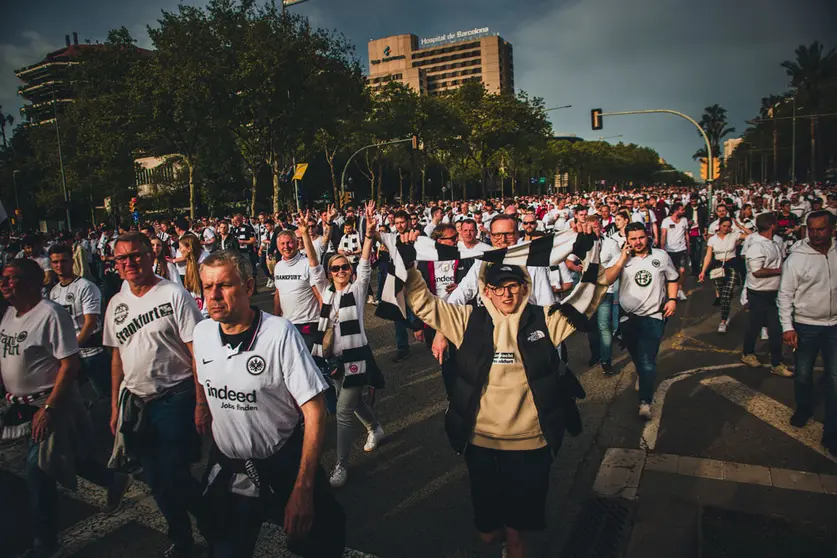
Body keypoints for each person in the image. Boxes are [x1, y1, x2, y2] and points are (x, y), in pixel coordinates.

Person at [401, 225, 609, 558]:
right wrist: (408, 263)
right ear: (487, 291)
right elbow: (425, 305)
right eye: (499, 288)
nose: (506, 295)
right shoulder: (468, 320)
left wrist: (595, 249)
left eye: (513, 286)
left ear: (524, 288)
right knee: (488, 534)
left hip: (531, 447)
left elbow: (586, 300)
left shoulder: (543, 321)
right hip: (481, 444)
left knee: (516, 537)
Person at [193, 249, 345, 557]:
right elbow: (203, 373)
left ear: (249, 288)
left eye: (224, 285)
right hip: (231, 469)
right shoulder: (202, 332)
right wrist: (202, 405)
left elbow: (315, 410)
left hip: (281, 464)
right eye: (207, 287)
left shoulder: (278, 333)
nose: (214, 295)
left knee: (321, 544)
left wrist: (303, 488)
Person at [1, 259, 132, 558]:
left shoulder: (50, 314)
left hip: (50, 405)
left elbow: (69, 363)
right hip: (21, 406)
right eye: (3, 278)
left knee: (39, 472)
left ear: (32, 283)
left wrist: (48, 407)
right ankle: (112, 479)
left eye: (12, 279)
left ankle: (46, 545)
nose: (4, 283)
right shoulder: (10, 313)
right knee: (68, 458)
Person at [104, 232, 206, 557]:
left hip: (175, 396)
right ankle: (182, 538)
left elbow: (197, 350)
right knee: (155, 478)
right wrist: (114, 408)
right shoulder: (117, 303)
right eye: (123, 258)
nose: (130, 263)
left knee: (174, 471)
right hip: (136, 402)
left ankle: (213, 524)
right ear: (116, 265)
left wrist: (202, 402)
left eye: (136, 255)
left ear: (151, 256)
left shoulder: (173, 293)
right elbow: (117, 357)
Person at [310, 202, 385, 489]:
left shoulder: (357, 288)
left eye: (345, 267)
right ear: (330, 274)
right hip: (332, 359)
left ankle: (340, 465)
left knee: (342, 411)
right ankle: (375, 428)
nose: (341, 270)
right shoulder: (326, 292)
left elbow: (365, 264)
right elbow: (314, 265)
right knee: (354, 404)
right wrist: (310, 233)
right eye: (336, 268)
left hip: (357, 357)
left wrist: (368, 233)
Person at [605, 222, 679, 419]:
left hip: (654, 317)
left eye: (641, 237)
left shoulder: (661, 256)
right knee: (637, 355)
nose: (638, 242)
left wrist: (672, 300)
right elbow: (607, 279)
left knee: (648, 360)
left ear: (647, 237)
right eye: (633, 239)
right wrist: (622, 259)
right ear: (627, 240)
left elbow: (672, 278)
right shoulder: (622, 258)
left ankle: (645, 402)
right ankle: (642, 373)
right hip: (628, 318)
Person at [778, 211, 837, 455]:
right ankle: (803, 408)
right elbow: (785, 295)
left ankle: (832, 434)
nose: (815, 234)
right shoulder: (796, 258)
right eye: (811, 229)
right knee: (803, 374)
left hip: (834, 326)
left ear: (833, 228)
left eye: (821, 229)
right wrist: (787, 326)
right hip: (805, 325)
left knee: (835, 380)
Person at [48, 243, 112, 401]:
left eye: (63, 261)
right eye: (55, 262)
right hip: (69, 356)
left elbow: (90, 323)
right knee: (75, 400)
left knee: (107, 398)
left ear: (72, 261)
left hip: (92, 353)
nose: (59, 265)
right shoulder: (54, 292)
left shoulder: (86, 287)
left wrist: (72, 348)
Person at [740, 213, 791, 377]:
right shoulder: (757, 246)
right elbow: (756, 272)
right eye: (776, 223)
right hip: (758, 294)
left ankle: (776, 362)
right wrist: (779, 271)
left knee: (776, 329)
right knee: (754, 327)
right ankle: (747, 353)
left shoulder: (774, 243)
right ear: (771, 225)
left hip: (774, 294)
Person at [273, 222, 324, 352]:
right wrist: (276, 318)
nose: (286, 247)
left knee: (312, 363)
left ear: (297, 244)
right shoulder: (278, 266)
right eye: (282, 244)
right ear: (278, 246)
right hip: (288, 324)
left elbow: (320, 295)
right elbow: (278, 294)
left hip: (309, 323)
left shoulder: (307, 264)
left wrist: (325, 324)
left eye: (289, 243)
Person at [699, 217, 743, 333]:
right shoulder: (712, 239)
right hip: (717, 267)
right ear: (719, 225)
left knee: (726, 294)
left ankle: (723, 321)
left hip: (731, 266)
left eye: (729, 226)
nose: (726, 228)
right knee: (722, 295)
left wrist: (740, 226)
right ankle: (725, 314)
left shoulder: (734, 235)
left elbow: (752, 236)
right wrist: (703, 271)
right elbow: (708, 256)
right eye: (724, 226)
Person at [660, 202, 690, 301]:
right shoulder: (666, 221)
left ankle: (680, 289)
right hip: (670, 250)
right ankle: (670, 291)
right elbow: (663, 235)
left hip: (682, 249)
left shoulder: (684, 220)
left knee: (682, 270)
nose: (684, 211)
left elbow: (686, 234)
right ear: (675, 211)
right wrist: (662, 248)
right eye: (682, 209)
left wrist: (688, 246)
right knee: (670, 272)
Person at [179, 234, 207, 316]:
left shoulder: (205, 264)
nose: (179, 250)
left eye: (181, 247)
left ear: (189, 248)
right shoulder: (191, 261)